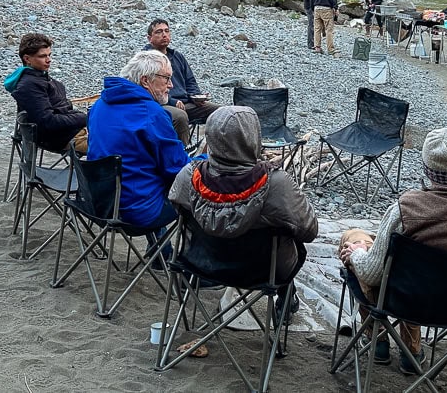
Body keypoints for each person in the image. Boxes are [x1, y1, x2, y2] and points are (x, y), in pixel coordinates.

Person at [338, 129, 447, 374]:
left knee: (355, 238)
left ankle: (377, 340)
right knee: (411, 275)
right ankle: (411, 352)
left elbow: (372, 274)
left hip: (402, 302)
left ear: (427, 171)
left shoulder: (404, 210)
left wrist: (357, 253)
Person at [169, 106, 318, 316]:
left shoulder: (188, 175)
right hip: (261, 271)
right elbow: (309, 231)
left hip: (201, 262)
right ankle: (286, 299)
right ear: (253, 137)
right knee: (288, 235)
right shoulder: (276, 183)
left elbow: (176, 208)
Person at [86, 50, 191, 230]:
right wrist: (204, 161)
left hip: (97, 202)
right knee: (196, 192)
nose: (171, 85)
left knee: (149, 176)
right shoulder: (151, 114)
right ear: (145, 80)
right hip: (136, 211)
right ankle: (183, 256)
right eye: (166, 78)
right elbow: (177, 169)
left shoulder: (99, 105)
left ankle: (161, 255)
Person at [4, 33, 88, 154]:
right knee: (119, 145)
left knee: (118, 131)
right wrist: (85, 118)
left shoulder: (40, 78)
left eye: (49, 55)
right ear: (27, 59)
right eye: (42, 56)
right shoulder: (29, 86)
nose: (49, 60)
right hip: (63, 139)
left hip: (70, 132)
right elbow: (48, 122)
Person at [144, 18, 220, 145]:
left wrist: (196, 96)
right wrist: (172, 101)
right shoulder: (146, 59)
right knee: (180, 116)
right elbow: (147, 89)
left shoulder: (177, 56)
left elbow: (190, 81)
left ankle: (218, 152)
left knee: (221, 112)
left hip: (186, 103)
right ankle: (184, 156)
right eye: (159, 32)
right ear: (149, 38)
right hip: (160, 104)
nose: (164, 34)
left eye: (167, 31)